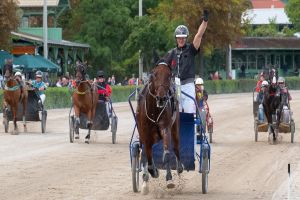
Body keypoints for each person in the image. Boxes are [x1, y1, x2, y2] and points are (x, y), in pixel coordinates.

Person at [163, 10, 208, 113]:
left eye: (183, 38)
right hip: (175, 86)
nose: (181, 40)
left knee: (188, 112)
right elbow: (163, 67)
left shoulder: (191, 49)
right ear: (176, 38)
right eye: (179, 38)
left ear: (186, 38)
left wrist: (205, 22)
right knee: (173, 112)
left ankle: (190, 126)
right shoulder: (171, 53)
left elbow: (199, 35)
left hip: (188, 86)